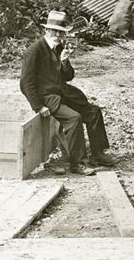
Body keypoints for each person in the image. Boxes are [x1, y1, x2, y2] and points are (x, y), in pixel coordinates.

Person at [20, 10, 116, 176]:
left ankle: (98, 154)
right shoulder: (35, 50)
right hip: (48, 98)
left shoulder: (59, 48)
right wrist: (38, 106)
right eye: (54, 31)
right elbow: (25, 83)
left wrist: (64, 62)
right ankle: (77, 164)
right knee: (74, 118)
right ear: (46, 31)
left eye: (61, 32)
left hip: (63, 93)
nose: (58, 35)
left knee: (94, 112)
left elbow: (68, 76)